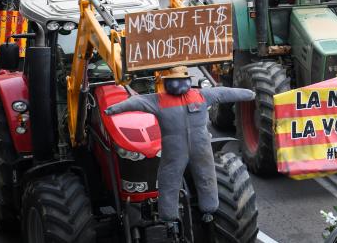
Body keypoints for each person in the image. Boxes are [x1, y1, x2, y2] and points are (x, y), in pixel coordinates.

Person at [105, 66, 255, 232]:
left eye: (181, 80)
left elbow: (225, 93)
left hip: (188, 150)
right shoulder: (168, 99)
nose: (179, 83)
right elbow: (136, 103)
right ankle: (173, 216)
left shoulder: (192, 96)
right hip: (184, 150)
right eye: (176, 80)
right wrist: (114, 109)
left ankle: (204, 210)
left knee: (197, 177)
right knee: (176, 180)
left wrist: (248, 94)